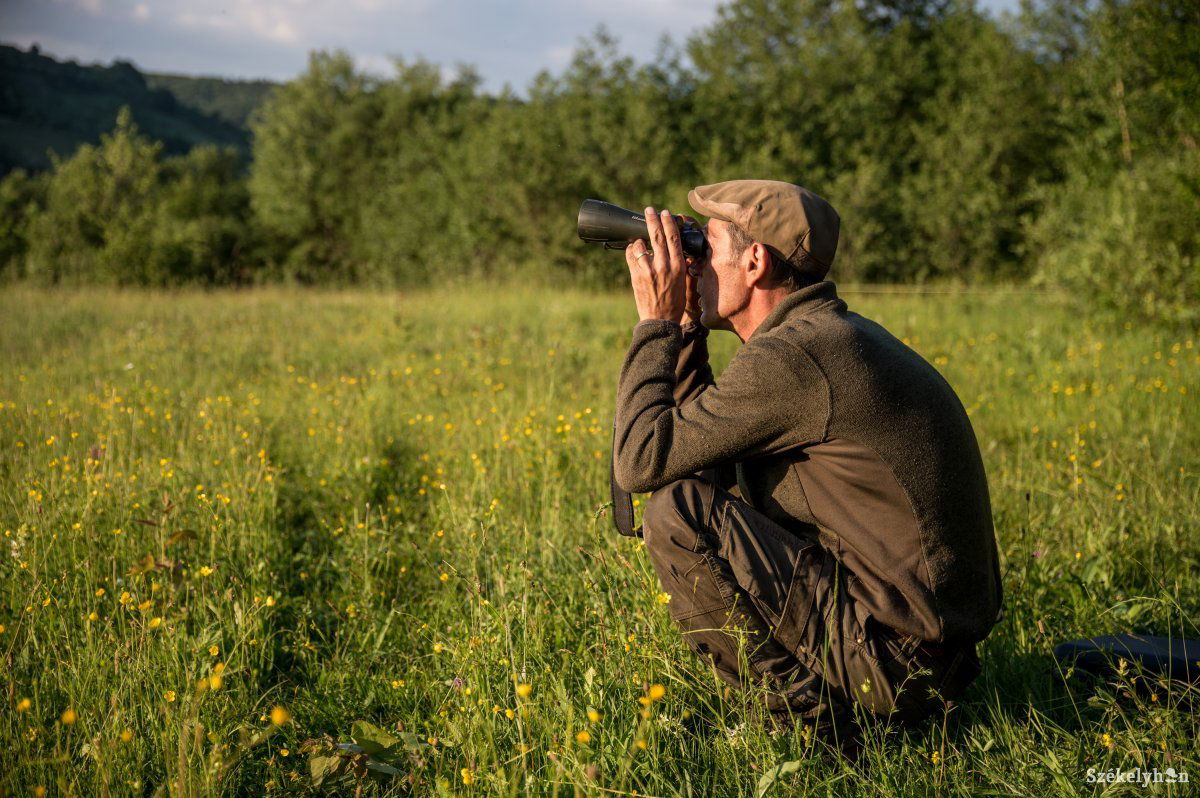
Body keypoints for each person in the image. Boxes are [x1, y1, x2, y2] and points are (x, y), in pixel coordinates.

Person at [611, 179, 1003, 745]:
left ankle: (814, 735)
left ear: (754, 262)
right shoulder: (822, 336)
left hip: (897, 662)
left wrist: (657, 326)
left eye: (705, 246)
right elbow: (702, 461)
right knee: (696, 498)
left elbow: (642, 460)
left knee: (677, 513)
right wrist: (688, 331)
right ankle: (838, 712)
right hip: (929, 655)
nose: (692, 264)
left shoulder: (796, 357)